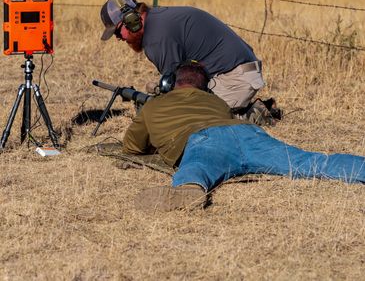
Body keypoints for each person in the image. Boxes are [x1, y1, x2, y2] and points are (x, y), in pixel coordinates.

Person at [122, 61, 365, 212]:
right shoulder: (216, 101)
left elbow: (132, 146)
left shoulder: (155, 105)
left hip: (204, 139)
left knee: (197, 168)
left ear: (170, 83)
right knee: (307, 162)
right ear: (205, 87)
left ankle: (188, 190)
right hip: (246, 133)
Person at [99, 0, 275, 124]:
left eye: (117, 31)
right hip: (234, 71)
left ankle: (249, 115)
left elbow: (178, 93)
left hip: (236, 77)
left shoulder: (156, 39)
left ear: (131, 20)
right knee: (158, 92)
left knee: (188, 120)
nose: (118, 38)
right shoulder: (158, 20)